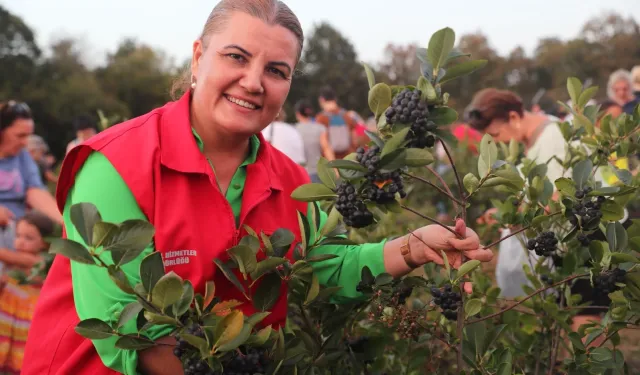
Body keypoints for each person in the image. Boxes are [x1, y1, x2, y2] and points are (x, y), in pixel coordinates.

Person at [22, 2, 492, 374]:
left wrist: (415, 246)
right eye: (236, 57)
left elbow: (325, 264)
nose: (253, 82)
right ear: (198, 57)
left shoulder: (288, 179)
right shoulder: (116, 163)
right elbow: (122, 322)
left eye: (276, 70)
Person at [0, 211, 54, 375]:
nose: (20, 242)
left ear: (44, 244)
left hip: (25, 318)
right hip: (7, 315)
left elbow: (7, 256)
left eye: (28, 238)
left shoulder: (38, 262)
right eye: (18, 235)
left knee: (21, 357)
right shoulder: (15, 259)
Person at [0, 101, 62, 225]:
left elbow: (34, 191)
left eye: (28, 135)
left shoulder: (22, 156)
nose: (25, 142)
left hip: (17, 233)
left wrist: (66, 223)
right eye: (20, 136)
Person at [315, 86, 357, 160]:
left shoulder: (321, 118)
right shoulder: (347, 115)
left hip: (332, 162)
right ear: (335, 99)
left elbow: (325, 145)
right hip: (349, 160)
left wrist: (334, 167)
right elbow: (354, 140)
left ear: (321, 99)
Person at [293, 99, 330, 182]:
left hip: (300, 172)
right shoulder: (320, 128)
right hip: (318, 172)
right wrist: (334, 168)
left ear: (298, 114)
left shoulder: (293, 130)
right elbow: (326, 148)